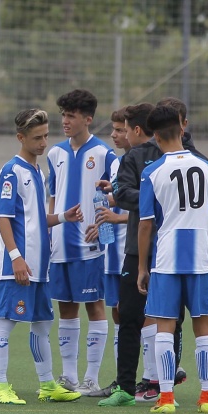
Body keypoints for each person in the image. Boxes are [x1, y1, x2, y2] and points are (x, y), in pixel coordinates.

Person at [0, 108, 84, 405]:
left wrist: (63, 217)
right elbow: (3, 218)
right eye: (37, 138)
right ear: (21, 137)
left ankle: (47, 384)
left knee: (42, 324)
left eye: (45, 136)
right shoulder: (11, 171)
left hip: (40, 267)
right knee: (5, 321)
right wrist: (15, 257)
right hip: (18, 265)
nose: (43, 143)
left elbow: (36, 218)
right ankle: (1, 386)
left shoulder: (37, 172)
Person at [99, 99, 204, 407]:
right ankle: (125, 388)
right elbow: (121, 193)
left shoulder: (190, 156)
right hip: (138, 248)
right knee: (129, 316)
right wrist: (157, 197)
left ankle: (164, 386)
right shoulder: (135, 157)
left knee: (173, 318)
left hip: (173, 249)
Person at [137, 105, 208, 414]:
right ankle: (207, 397)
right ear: (182, 129)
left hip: (167, 259)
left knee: (165, 327)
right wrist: (201, 243)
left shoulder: (152, 172)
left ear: (156, 137)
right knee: (203, 325)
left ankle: (166, 397)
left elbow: (146, 224)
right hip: (200, 258)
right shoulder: (206, 167)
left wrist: (142, 267)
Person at [46, 89, 118, 395]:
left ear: (88, 119)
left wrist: (103, 227)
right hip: (60, 244)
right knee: (66, 307)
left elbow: (118, 197)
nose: (65, 120)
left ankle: (91, 378)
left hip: (90, 247)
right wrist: (51, 231)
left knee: (95, 306)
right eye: (63, 115)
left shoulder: (104, 154)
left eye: (71, 116)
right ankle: (69, 376)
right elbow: (52, 197)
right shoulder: (54, 154)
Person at [87, 108, 130, 397]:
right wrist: (102, 224)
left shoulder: (146, 162)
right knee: (118, 314)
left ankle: (153, 378)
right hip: (114, 253)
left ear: (136, 130)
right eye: (113, 129)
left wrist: (116, 218)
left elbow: (149, 209)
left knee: (145, 315)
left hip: (135, 252)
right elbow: (119, 199)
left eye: (119, 130)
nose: (113, 135)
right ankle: (122, 379)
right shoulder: (118, 164)